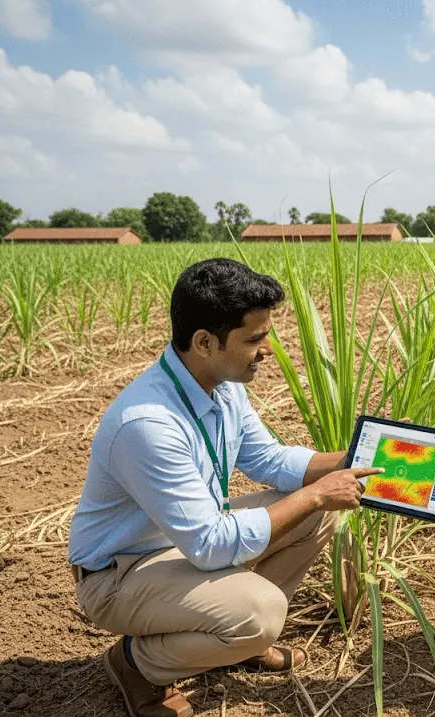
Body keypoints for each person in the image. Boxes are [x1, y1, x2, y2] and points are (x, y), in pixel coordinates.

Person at [66, 258, 382, 717]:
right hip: (120, 575)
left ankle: (234, 644)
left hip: (180, 546)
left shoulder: (222, 384)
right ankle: (136, 665)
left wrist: (367, 460)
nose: (267, 349)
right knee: (262, 612)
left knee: (319, 511)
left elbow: (269, 459)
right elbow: (212, 544)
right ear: (204, 342)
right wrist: (315, 492)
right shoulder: (148, 423)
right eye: (254, 338)